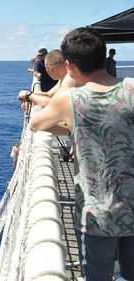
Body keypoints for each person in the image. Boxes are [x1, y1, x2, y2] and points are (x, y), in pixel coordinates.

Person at [31, 28, 134, 281]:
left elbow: (37, 125)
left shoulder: (70, 98)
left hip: (96, 216)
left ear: (69, 65)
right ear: (103, 57)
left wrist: (75, 128)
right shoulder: (131, 87)